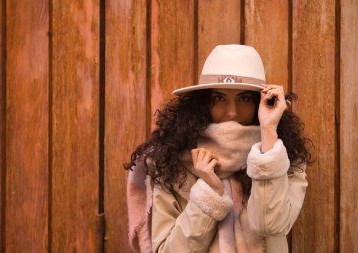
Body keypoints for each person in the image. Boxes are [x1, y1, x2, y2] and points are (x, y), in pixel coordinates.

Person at [125, 44, 313, 253]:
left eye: (244, 99)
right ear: (203, 104)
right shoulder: (171, 164)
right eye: (219, 98)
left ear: (261, 102)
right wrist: (208, 194)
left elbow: (270, 225)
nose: (232, 111)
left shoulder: (284, 161)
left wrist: (268, 138)